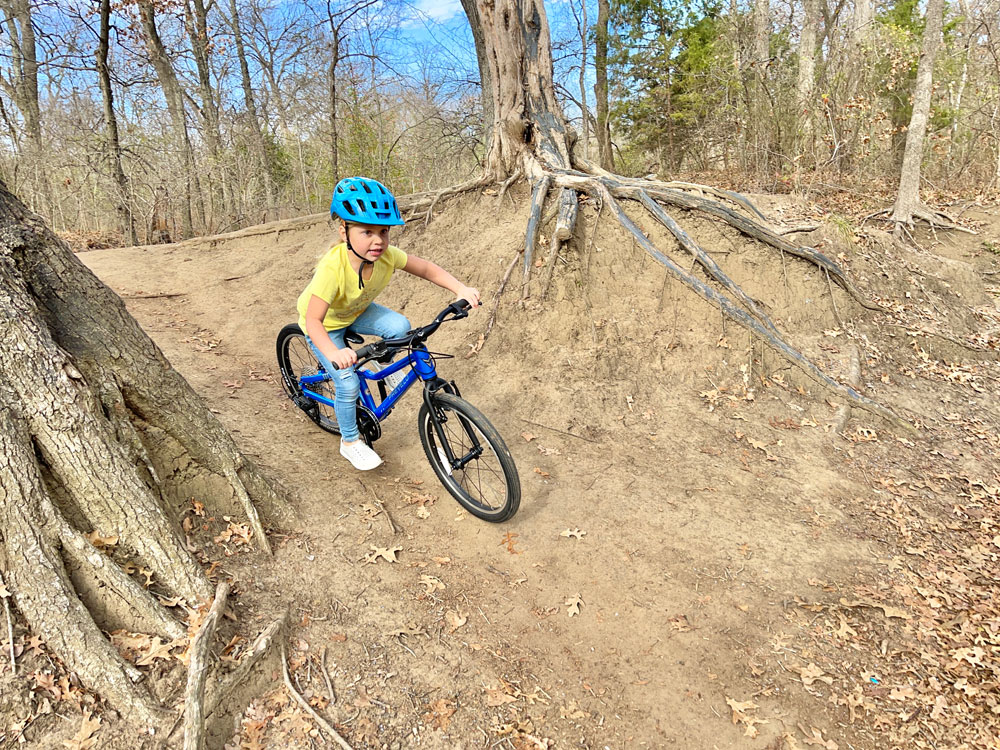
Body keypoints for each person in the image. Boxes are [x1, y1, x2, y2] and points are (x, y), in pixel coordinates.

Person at [297, 176, 480, 470]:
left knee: (400, 327)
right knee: (347, 383)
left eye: (383, 231)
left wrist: (459, 288)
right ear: (344, 231)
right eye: (366, 231)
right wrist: (333, 353)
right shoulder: (333, 269)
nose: (378, 240)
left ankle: (387, 369)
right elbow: (313, 320)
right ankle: (350, 441)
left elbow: (426, 268)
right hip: (325, 324)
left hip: (355, 312)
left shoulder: (386, 257)